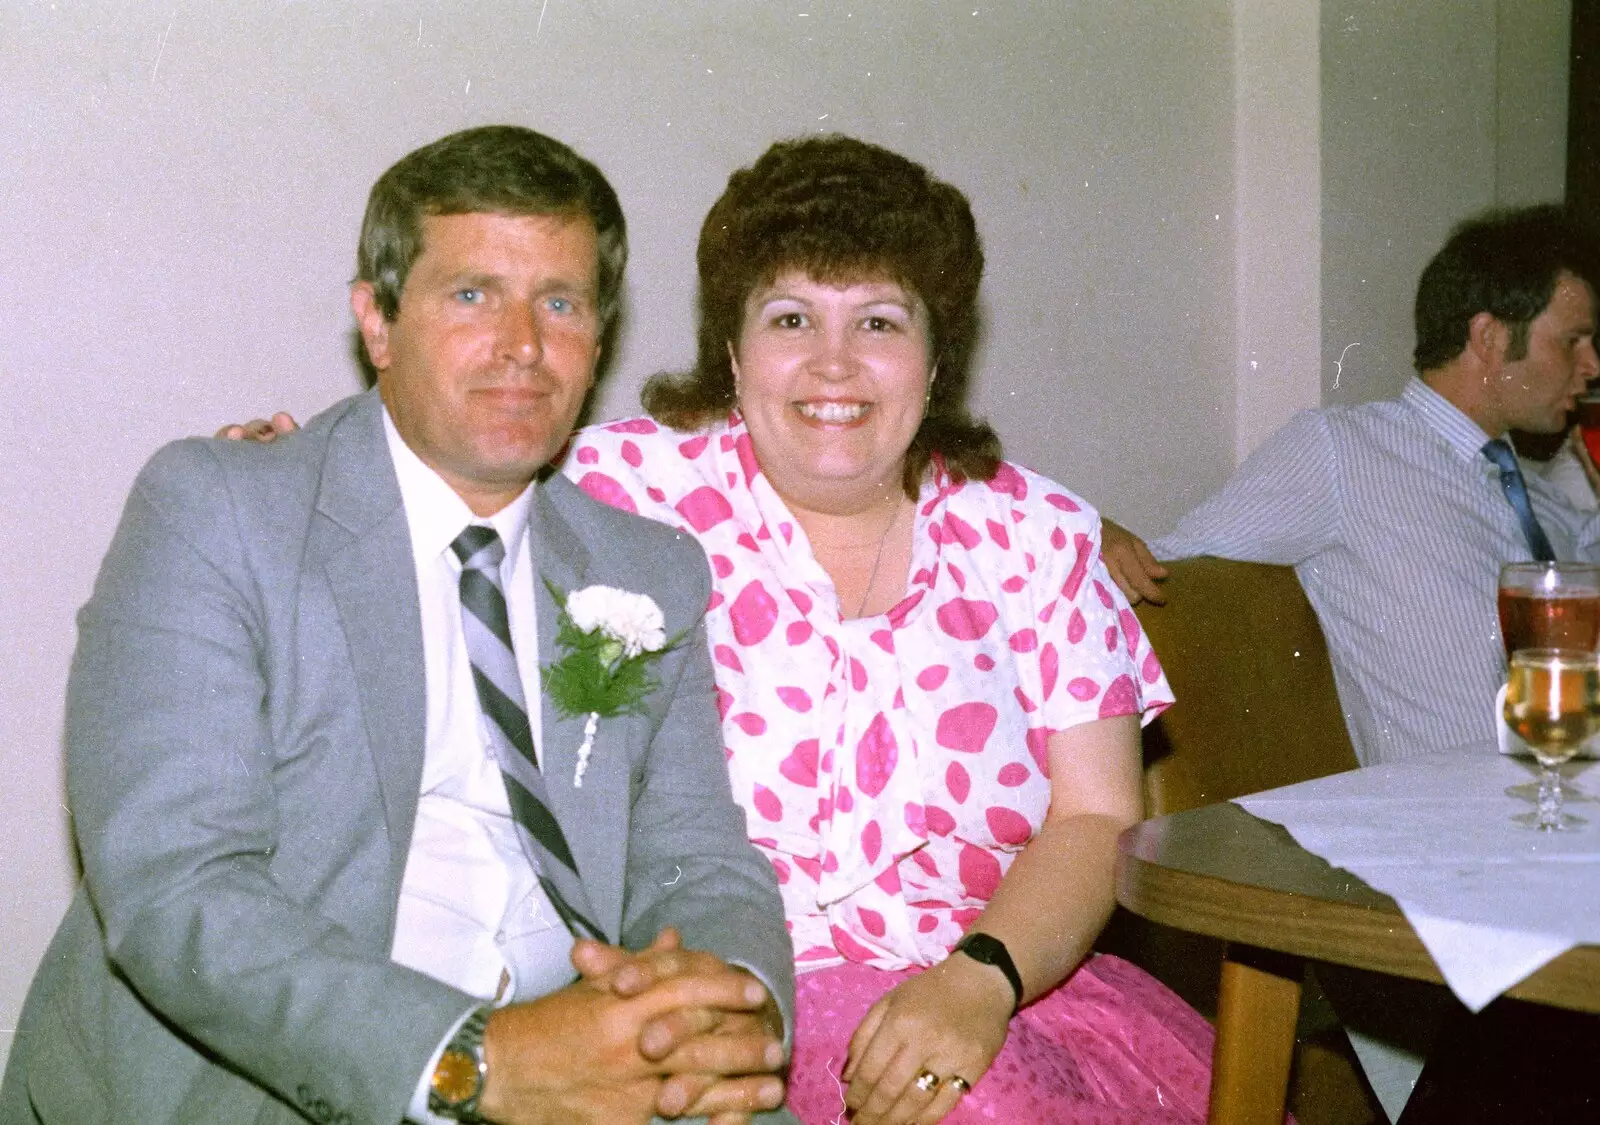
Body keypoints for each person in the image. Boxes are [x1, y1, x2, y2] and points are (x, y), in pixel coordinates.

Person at [213, 135, 1215, 1125]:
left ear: (935, 353)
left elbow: (1093, 817)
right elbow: (437, 468)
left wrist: (978, 982)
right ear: (732, 350)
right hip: (737, 996)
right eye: (790, 318)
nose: (834, 363)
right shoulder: (623, 494)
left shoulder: (1038, 538)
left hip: (1005, 988)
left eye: (877, 321)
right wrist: (292, 473)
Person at [1, 126, 796, 1125]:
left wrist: (724, 1004)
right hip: (296, 1071)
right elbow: (179, 888)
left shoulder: (646, 570)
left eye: (560, 302)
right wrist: (476, 1061)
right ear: (376, 322)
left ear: (598, 336)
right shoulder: (219, 510)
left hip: (597, 1061)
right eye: (472, 296)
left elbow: (695, 856)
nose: (522, 344)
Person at [1104, 205, 1600, 770]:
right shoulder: (1344, 453)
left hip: (1568, 800)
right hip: (1452, 822)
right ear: (1489, 337)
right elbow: (1163, 562)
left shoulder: (1536, 494)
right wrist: (1093, 528)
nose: (1591, 366)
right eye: (1572, 341)